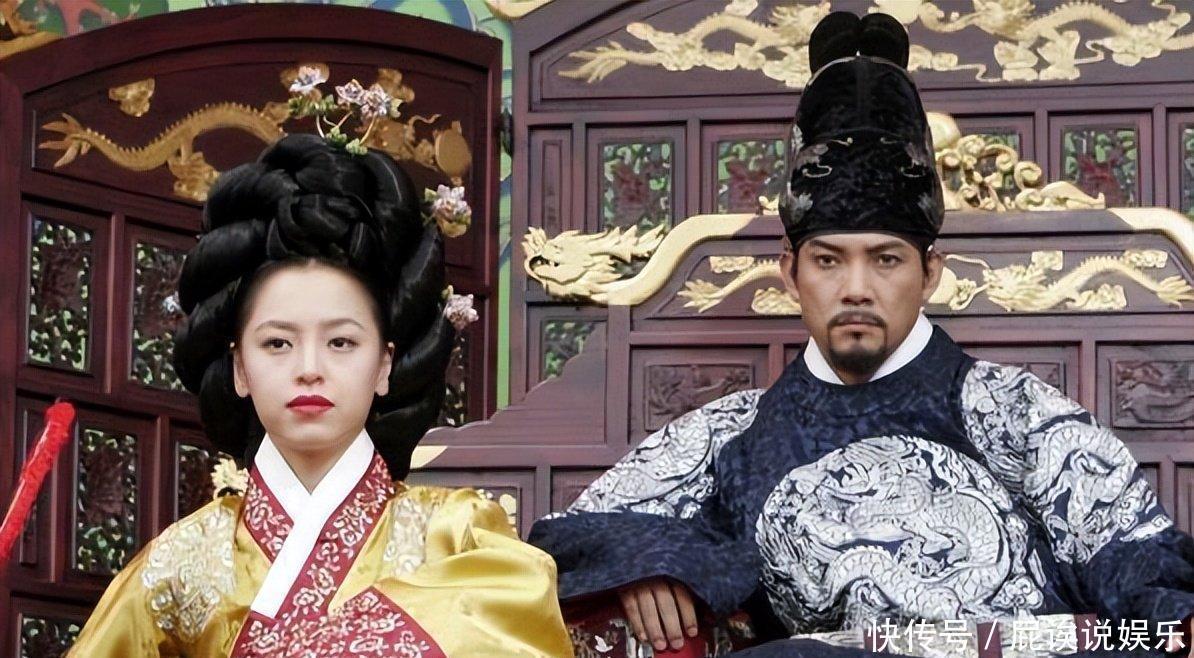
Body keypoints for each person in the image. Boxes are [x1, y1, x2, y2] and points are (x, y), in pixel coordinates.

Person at [529, 12, 1194, 658]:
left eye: (885, 259)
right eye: (828, 260)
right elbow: (569, 538)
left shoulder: (1015, 412)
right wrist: (650, 562)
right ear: (789, 273)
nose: (856, 288)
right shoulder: (733, 436)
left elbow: (1141, 565)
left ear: (930, 273)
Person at [67, 131, 574, 657]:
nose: (309, 370)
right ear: (240, 367)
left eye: (341, 343)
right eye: (277, 343)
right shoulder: (177, 566)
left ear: (384, 365)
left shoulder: (455, 537)